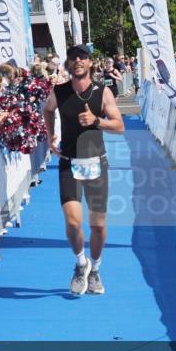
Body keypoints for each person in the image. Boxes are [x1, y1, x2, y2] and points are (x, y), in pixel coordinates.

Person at [42, 44, 125, 297]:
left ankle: (96, 268)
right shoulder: (60, 91)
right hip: (68, 162)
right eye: (73, 58)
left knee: (98, 226)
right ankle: (81, 264)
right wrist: (49, 135)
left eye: (83, 57)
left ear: (90, 63)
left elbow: (119, 126)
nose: (78, 61)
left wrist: (96, 121)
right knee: (73, 221)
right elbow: (47, 109)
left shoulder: (103, 92)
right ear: (68, 63)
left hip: (96, 163)